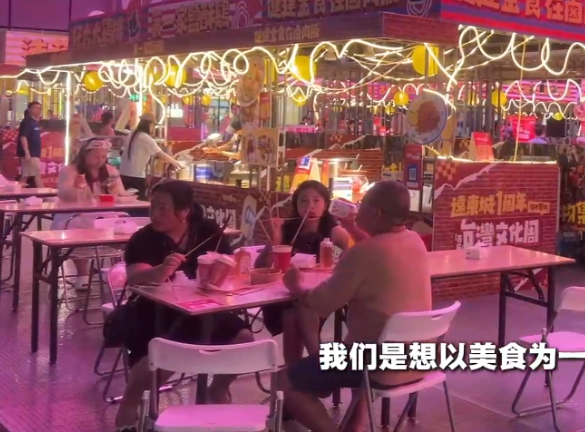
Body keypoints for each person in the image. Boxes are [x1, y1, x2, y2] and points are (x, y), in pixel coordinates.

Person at [280, 180, 431, 432]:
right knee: (353, 345)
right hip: (417, 359)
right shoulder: (415, 241)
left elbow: (321, 302)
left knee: (284, 381)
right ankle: (354, 424)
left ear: (377, 212)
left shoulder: (362, 254)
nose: (356, 208)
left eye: (362, 204)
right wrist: (353, 227)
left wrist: (296, 287)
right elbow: (378, 246)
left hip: (374, 363)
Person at [113, 180, 253, 432]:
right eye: (153, 207)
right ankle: (128, 412)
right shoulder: (143, 239)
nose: (155, 214)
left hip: (206, 309)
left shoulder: (207, 230)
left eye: (162, 208)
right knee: (159, 356)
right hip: (155, 312)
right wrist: (160, 271)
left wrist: (221, 271)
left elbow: (228, 263)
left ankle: (217, 389)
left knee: (244, 339)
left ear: (184, 211)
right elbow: (135, 277)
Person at [255, 181, 353, 365]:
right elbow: (261, 267)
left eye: (316, 200)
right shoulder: (286, 229)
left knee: (294, 314)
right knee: (292, 314)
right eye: (304, 201)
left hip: (316, 295)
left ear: (325, 204)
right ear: (296, 205)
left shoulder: (333, 230)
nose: (310, 206)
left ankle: (298, 371)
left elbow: (353, 253)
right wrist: (273, 242)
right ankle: (314, 363)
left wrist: (338, 264)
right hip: (283, 296)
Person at [56, 138, 126, 290]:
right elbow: (64, 195)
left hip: (104, 213)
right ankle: (83, 274)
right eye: (95, 156)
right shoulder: (70, 171)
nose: (99, 161)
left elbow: (121, 195)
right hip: (76, 214)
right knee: (77, 228)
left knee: (120, 226)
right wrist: (76, 187)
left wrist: (114, 190)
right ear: (84, 154)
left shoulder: (111, 171)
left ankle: (118, 271)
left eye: (103, 157)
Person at [120, 114, 182, 199]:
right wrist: (176, 162)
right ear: (150, 125)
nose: (153, 128)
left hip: (123, 174)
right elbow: (160, 154)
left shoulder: (131, 134)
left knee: (126, 201)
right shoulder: (145, 138)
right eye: (153, 125)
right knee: (138, 202)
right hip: (136, 177)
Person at [16, 101, 42, 188]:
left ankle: (16, 193)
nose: (38, 110)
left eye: (39, 108)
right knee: (35, 175)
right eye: (35, 108)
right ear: (29, 109)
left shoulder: (35, 122)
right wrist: (27, 152)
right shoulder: (27, 122)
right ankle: (44, 194)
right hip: (30, 154)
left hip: (34, 154)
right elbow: (23, 137)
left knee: (27, 176)